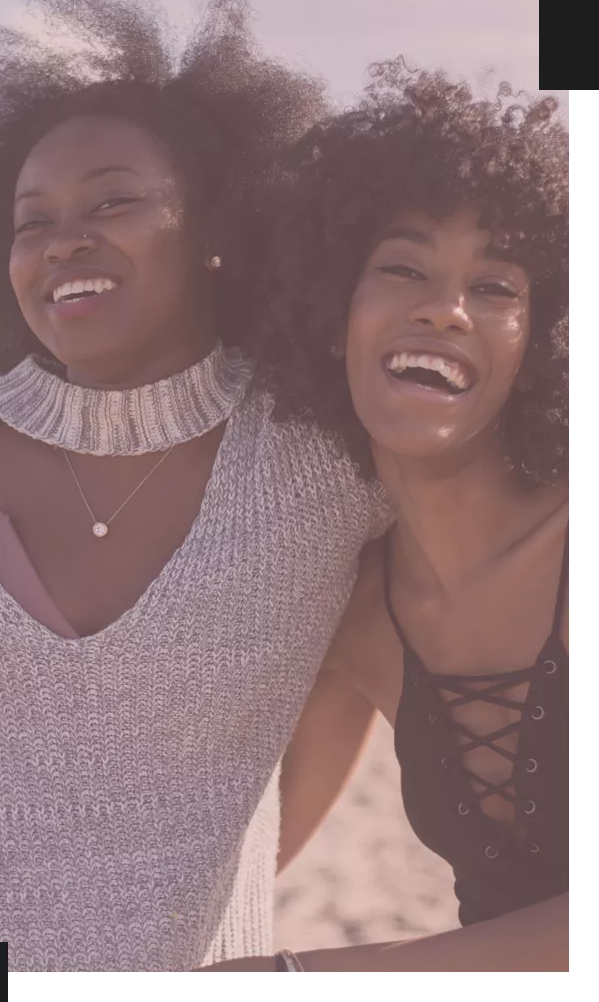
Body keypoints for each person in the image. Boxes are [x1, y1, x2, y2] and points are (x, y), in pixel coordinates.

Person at [0, 0, 391, 968]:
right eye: (31, 222)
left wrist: (199, 907)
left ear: (218, 229)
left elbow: (357, 680)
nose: (63, 242)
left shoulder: (321, 467)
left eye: (112, 203)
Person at [201, 62, 568, 972]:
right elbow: (229, 863)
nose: (444, 309)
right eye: (403, 268)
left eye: (496, 289)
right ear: (333, 315)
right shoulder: (354, 616)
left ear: (542, 339)